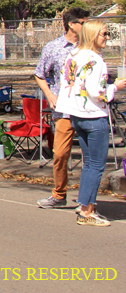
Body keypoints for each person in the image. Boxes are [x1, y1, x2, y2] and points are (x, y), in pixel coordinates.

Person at [55, 19, 126, 226]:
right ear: (94, 35)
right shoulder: (96, 60)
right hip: (94, 115)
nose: (107, 38)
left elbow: (66, 82)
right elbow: (97, 92)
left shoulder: (73, 55)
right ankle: (87, 211)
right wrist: (115, 87)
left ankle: (84, 203)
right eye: (104, 34)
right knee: (96, 165)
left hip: (76, 115)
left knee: (89, 165)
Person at [34, 7, 90, 209]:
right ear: (71, 24)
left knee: (90, 156)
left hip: (87, 108)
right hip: (65, 110)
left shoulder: (90, 46)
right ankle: (59, 194)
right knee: (60, 154)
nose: (86, 26)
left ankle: (87, 200)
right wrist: (50, 95)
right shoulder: (53, 47)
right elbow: (40, 74)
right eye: (83, 22)